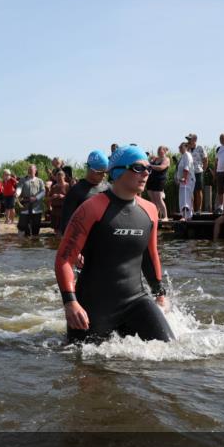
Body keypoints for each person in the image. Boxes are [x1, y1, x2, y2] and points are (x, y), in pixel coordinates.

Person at [55, 145, 173, 343]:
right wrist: (70, 303)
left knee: (171, 350)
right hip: (94, 305)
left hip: (136, 300)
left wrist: (159, 293)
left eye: (148, 169)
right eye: (138, 168)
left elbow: (150, 254)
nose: (146, 173)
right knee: (81, 358)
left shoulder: (150, 210)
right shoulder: (91, 208)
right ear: (117, 171)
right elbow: (64, 259)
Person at [58, 151, 109, 236]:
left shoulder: (108, 188)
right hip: (84, 239)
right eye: (100, 172)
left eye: (106, 172)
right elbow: (66, 223)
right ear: (89, 169)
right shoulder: (76, 191)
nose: (104, 175)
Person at [17, 164, 46, 237]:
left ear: (35, 171)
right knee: (23, 226)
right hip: (25, 206)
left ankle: (34, 243)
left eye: (31, 169)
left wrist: (36, 198)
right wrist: (17, 193)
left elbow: (43, 191)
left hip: (36, 208)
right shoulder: (22, 180)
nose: (30, 171)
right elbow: (19, 188)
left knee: (36, 228)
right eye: (29, 169)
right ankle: (25, 242)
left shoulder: (40, 181)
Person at [145, 146, 170, 220]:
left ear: (164, 151)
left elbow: (161, 167)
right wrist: (150, 161)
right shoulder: (155, 159)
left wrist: (151, 166)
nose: (159, 151)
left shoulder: (166, 159)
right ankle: (155, 216)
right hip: (151, 179)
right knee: (153, 199)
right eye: (158, 150)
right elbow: (148, 164)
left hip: (159, 180)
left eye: (160, 150)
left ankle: (165, 216)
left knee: (159, 199)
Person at [185, 134, 207, 214]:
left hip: (198, 171)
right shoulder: (186, 149)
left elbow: (205, 159)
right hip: (189, 173)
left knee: (198, 190)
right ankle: (192, 209)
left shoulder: (200, 147)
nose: (188, 141)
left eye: (190, 139)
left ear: (195, 140)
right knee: (190, 191)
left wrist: (203, 170)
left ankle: (199, 209)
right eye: (188, 139)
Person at [175, 142, 195, 220]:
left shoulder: (187, 155)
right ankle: (188, 216)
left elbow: (186, 167)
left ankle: (185, 216)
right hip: (183, 180)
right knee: (184, 197)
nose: (179, 149)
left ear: (186, 147)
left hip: (187, 180)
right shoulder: (183, 156)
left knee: (185, 198)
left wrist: (184, 178)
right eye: (179, 147)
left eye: (181, 147)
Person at [213, 133, 224, 214]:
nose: (221, 140)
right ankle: (221, 206)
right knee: (220, 190)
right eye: (220, 138)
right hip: (219, 171)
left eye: (223, 138)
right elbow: (216, 161)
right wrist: (215, 172)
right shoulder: (218, 149)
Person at [48, 168, 69, 232]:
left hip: (64, 209)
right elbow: (48, 198)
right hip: (55, 210)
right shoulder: (54, 187)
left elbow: (71, 198)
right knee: (56, 228)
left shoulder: (67, 186)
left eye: (60, 178)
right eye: (58, 178)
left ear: (64, 177)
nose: (59, 179)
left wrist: (63, 196)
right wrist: (52, 197)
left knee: (64, 228)